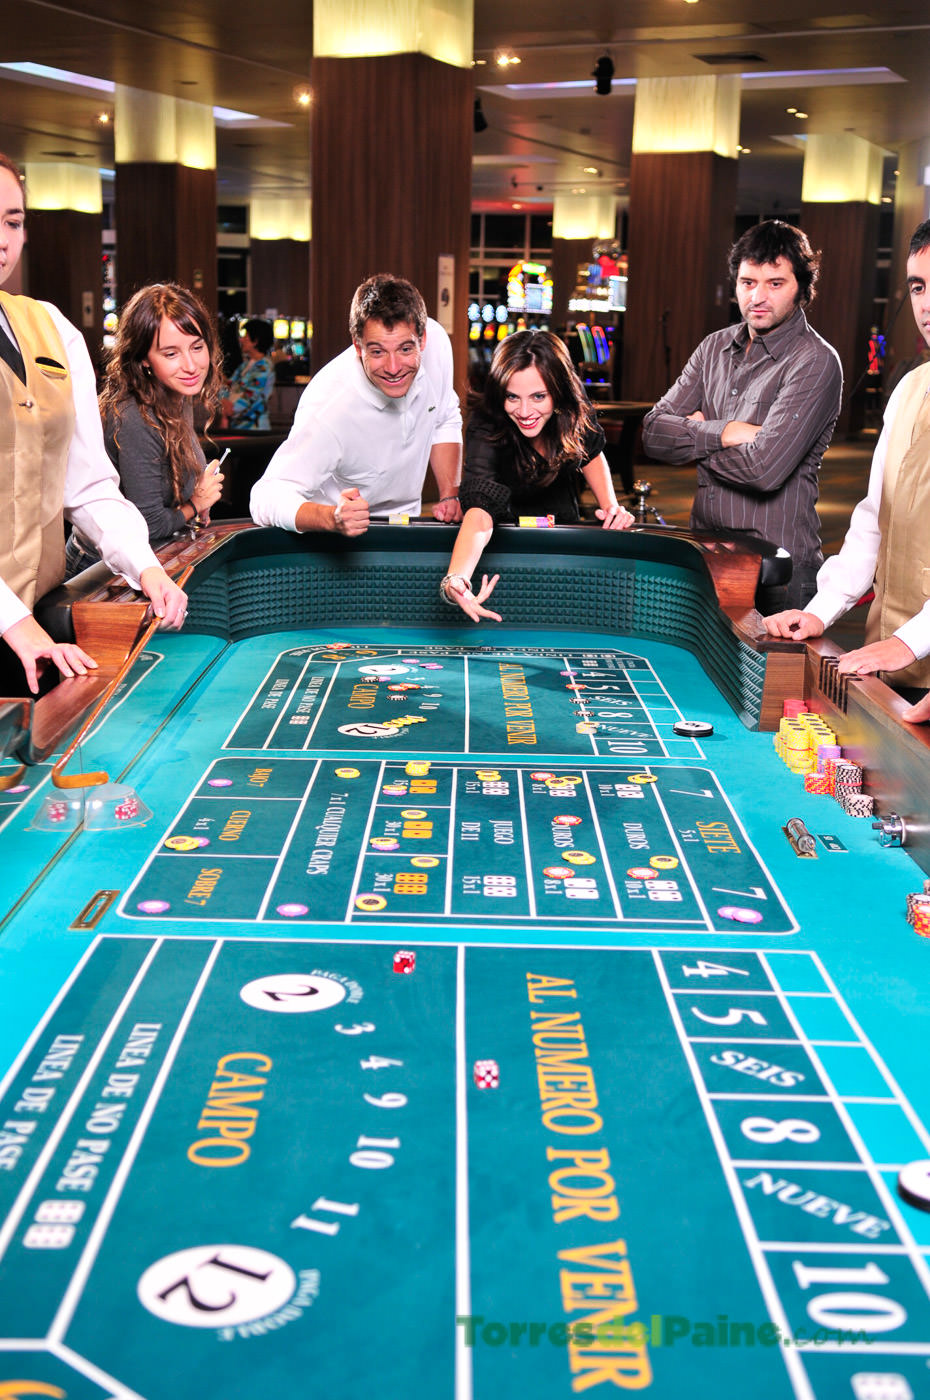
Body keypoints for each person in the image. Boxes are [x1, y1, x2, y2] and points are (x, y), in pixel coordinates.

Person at [0, 154, 186, 696]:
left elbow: (87, 486)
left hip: (37, 618)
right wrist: (18, 626)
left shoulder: (53, 328)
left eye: (12, 221)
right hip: (20, 628)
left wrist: (146, 569)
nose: (3, 239)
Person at [764, 219, 930, 725]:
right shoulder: (908, 389)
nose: (925, 304)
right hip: (888, 663)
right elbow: (873, 522)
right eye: (918, 286)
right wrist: (821, 609)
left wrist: (907, 644)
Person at [642, 220, 843, 611]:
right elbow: (652, 433)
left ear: (801, 287)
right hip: (708, 557)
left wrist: (694, 434)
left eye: (775, 283)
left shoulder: (815, 361)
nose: (758, 297)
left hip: (777, 570)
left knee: (768, 675)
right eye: (748, 282)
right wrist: (727, 432)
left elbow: (764, 469)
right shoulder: (713, 347)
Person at [440, 329, 635, 622]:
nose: (525, 411)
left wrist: (610, 507)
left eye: (538, 396)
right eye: (512, 397)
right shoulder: (487, 422)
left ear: (558, 392)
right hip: (502, 540)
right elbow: (479, 513)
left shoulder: (573, 406)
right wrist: (456, 578)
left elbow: (591, 453)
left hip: (563, 527)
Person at [250, 274, 462, 536]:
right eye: (377, 352)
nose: (394, 368)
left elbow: (444, 417)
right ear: (358, 346)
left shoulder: (438, 345)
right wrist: (331, 518)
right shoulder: (328, 406)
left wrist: (449, 496)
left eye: (405, 349)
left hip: (405, 525)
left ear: (423, 339)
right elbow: (266, 496)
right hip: (334, 539)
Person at [64, 283, 226, 581]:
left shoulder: (175, 393)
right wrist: (195, 503)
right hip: (98, 569)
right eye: (171, 353)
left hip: (147, 558)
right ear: (143, 360)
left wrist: (195, 487)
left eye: (197, 347)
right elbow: (146, 524)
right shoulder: (135, 418)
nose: (191, 365)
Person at [219, 318, 275, 430]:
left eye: (246, 336)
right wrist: (224, 401)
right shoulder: (245, 365)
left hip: (254, 430)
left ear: (255, 341)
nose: (241, 340)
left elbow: (250, 397)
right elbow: (227, 385)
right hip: (238, 427)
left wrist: (227, 409)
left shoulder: (264, 367)